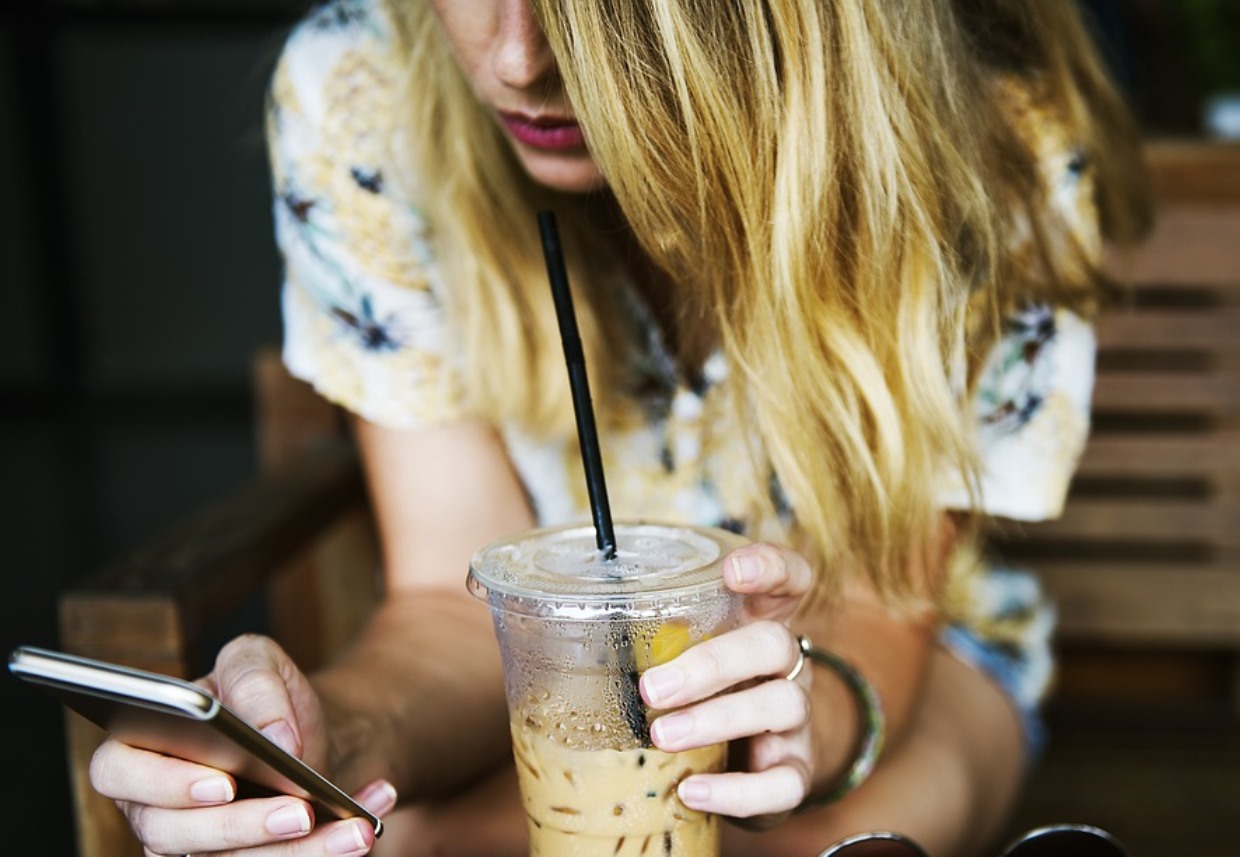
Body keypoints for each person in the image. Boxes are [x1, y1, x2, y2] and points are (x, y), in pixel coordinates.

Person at [88, 0, 1151, 855]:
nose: (517, 59)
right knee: (398, 831)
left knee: (812, 842)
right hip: (553, 683)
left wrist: (796, 719)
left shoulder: (989, 139)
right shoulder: (363, 93)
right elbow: (450, 606)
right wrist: (327, 739)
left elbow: (883, 604)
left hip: (895, 658)